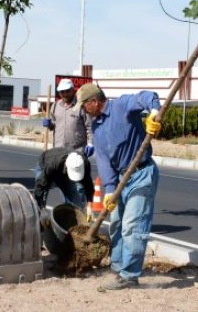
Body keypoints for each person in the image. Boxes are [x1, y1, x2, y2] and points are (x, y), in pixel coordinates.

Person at [74, 83, 161, 291]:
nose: (84, 110)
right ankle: (118, 267)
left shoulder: (122, 106)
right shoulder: (96, 127)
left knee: (133, 225)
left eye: (85, 105)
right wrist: (110, 189)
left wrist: (154, 113)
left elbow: (146, 95)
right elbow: (104, 160)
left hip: (142, 174)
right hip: (121, 179)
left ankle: (129, 276)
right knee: (117, 223)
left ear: (95, 102)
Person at [42, 79, 94, 157]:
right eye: (62, 92)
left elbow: (90, 127)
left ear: (73, 90)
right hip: (58, 151)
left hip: (77, 152)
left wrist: (90, 143)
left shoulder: (81, 106)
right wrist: (49, 124)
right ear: (59, 93)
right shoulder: (55, 106)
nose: (65, 94)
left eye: (67, 91)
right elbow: (53, 126)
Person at [33, 147, 93, 212]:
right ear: (66, 167)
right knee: (41, 198)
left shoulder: (84, 163)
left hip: (62, 171)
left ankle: (71, 218)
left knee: (76, 201)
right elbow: (39, 186)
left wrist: (89, 205)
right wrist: (41, 208)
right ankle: (39, 217)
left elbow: (88, 184)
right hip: (45, 166)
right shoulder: (52, 163)